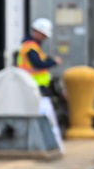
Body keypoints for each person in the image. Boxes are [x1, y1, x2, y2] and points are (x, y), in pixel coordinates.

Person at [18, 17, 64, 150]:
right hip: (34, 87)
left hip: (35, 87)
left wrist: (49, 60)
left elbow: (40, 59)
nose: (44, 38)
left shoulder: (32, 46)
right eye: (43, 35)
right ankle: (48, 145)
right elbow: (37, 64)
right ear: (38, 32)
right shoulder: (31, 47)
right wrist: (53, 62)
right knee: (44, 117)